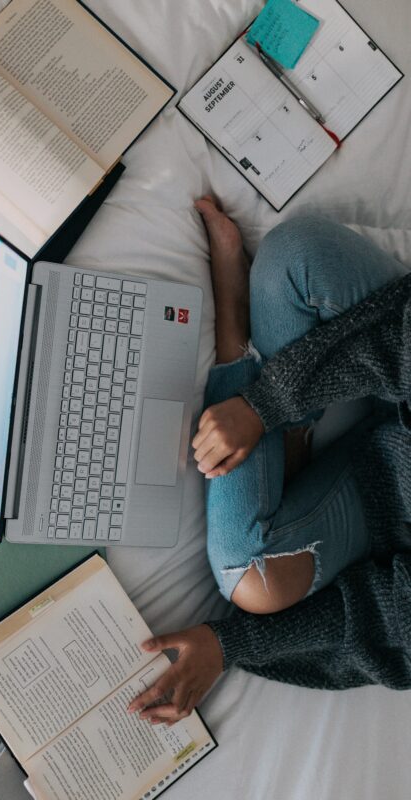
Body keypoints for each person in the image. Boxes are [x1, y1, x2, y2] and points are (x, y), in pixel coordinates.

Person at [128, 199, 411, 725]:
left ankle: (236, 339)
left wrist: (230, 644)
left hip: (386, 496)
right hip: (400, 367)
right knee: (294, 254)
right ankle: (288, 426)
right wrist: (267, 405)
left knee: (248, 575)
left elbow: (393, 615)